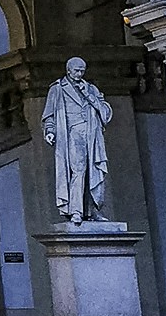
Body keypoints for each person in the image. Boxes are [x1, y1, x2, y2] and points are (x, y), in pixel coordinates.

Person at [42, 56, 113, 224]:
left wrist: (90, 96)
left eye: (82, 70)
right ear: (68, 70)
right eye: (77, 70)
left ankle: (93, 210)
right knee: (78, 171)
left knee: (93, 172)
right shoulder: (58, 89)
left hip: (92, 134)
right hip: (72, 135)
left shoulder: (91, 89)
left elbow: (106, 113)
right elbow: (49, 114)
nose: (80, 74)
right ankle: (76, 210)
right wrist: (50, 131)